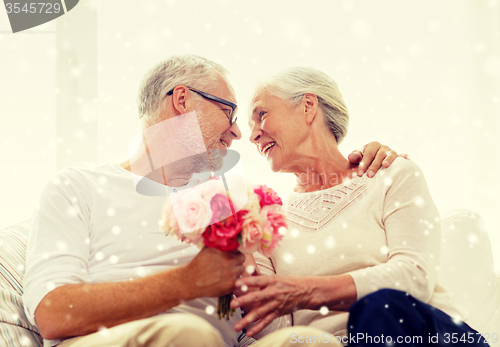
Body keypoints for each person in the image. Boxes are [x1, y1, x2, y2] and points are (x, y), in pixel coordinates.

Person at [23, 55, 400, 347]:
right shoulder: (78, 188)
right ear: (183, 99)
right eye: (228, 111)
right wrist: (187, 282)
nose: (237, 132)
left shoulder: (228, 198)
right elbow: (52, 313)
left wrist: (369, 163)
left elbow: (257, 317)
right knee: (187, 334)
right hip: (124, 339)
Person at [231, 67, 490, 347]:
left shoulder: (391, 174)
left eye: (262, 115)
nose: (253, 135)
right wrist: (240, 243)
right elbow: (274, 330)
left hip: (427, 337)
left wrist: (306, 291)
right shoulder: (265, 219)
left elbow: (415, 275)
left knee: (380, 306)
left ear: (307, 106)